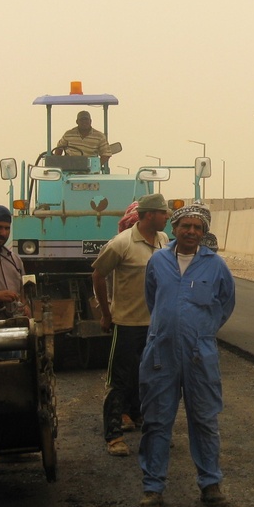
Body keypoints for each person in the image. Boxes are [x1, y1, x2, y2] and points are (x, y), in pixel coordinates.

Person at [138, 203, 235, 507]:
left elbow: (226, 304)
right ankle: (153, 487)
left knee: (205, 419)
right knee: (156, 421)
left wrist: (201, 332)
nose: (191, 232)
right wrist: (169, 327)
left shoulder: (216, 266)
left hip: (199, 355)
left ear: (204, 232)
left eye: (197, 227)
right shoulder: (158, 261)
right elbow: (153, 299)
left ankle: (210, 483)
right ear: (175, 229)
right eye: (185, 226)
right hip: (161, 353)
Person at [92, 193, 171, 458]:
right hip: (127, 324)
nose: (167, 217)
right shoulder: (121, 244)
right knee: (119, 381)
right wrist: (106, 313)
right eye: (163, 213)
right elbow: (98, 275)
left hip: (156, 326)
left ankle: (151, 428)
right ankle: (114, 436)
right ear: (149, 215)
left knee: (153, 379)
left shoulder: (163, 241)